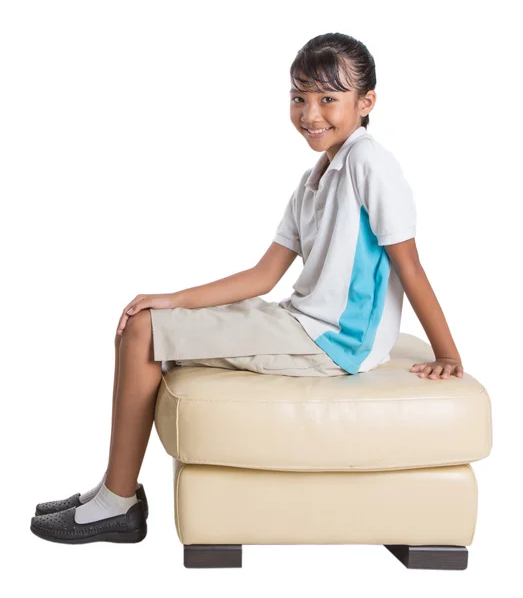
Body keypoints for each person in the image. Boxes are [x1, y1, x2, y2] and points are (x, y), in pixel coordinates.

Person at [30, 32, 464, 545]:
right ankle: (113, 490)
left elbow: (409, 266)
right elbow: (263, 275)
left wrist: (449, 353)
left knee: (143, 333)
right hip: (298, 321)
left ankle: (117, 504)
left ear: (366, 102)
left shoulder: (370, 163)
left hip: (332, 344)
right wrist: (171, 298)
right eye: (299, 97)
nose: (310, 113)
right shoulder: (314, 178)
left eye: (329, 98)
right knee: (144, 323)